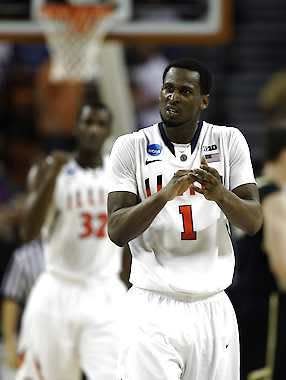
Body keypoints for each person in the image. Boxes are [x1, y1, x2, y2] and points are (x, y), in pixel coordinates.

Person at [107, 58, 263, 380]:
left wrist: (220, 194)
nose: (172, 97)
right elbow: (117, 230)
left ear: (204, 100)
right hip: (152, 305)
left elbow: (253, 221)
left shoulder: (229, 141)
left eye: (185, 91)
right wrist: (162, 197)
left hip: (213, 307)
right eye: (168, 88)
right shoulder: (130, 146)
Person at [16, 102, 127, 380]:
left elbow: (128, 235)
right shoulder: (50, 170)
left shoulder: (119, 174)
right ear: (76, 127)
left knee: (113, 374)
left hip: (104, 292)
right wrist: (52, 176)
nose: (93, 130)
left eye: (100, 124)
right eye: (87, 122)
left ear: (108, 131)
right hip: (58, 288)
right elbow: (28, 232)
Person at [229, 128, 286, 380]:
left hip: (239, 299)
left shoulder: (251, 191)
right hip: (267, 305)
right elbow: (282, 265)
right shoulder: (274, 197)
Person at [1, 239, 44, 379]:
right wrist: (10, 342)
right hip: (35, 340)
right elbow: (11, 299)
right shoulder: (27, 256)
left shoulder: (88, 255)